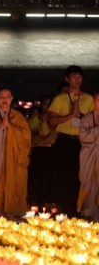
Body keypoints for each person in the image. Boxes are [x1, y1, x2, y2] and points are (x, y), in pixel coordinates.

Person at [48, 65, 94, 215]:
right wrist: (71, 115)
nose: (77, 80)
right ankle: (66, 209)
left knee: (83, 175)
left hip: (83, 142)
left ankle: (82, 209)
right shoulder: (60, 99)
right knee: (64, 176)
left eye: (80, 77)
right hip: (65, 141)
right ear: (67, 79)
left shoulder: (88, 98)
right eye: (74, 77)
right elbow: (51, 123)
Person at [0, 88, 31, 217]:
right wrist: (1, 128)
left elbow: (26, 136)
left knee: (15, 182)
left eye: (7, 97)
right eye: (2, 97)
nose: (4, 99)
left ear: (11, 99)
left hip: (13, 158)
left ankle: (13, 213)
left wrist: (11, 127)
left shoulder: (18, 117)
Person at [78, 92, 99, 221]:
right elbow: (83, 137)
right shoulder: (86, 118)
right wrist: (97, 130)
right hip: (90, 156)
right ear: (94, 102)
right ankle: (91, 215)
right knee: (90, 185)